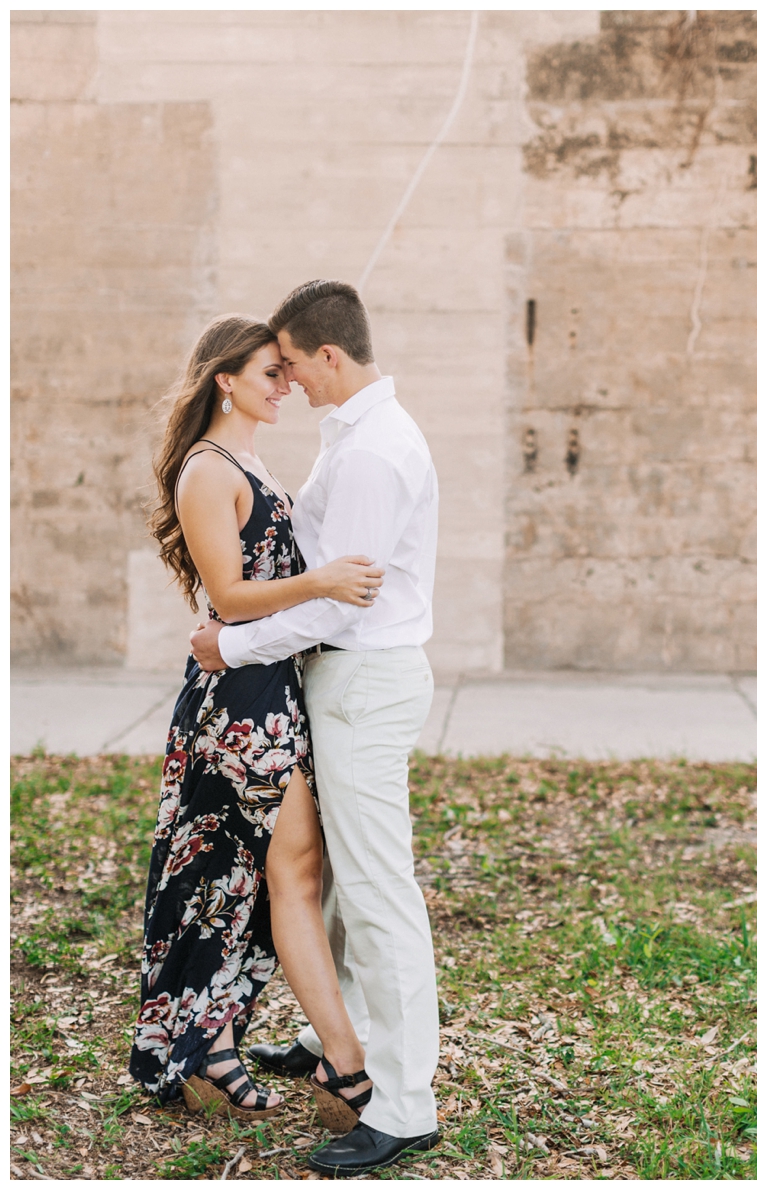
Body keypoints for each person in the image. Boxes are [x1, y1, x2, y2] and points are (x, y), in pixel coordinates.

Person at [189, 280, 441, 1177]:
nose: (285, 378)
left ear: (327, 355)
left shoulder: (374, 454)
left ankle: (406, 1107)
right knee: (335, 883)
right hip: (338, 685)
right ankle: (330, 1035)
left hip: (362, 683)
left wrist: (232, 642)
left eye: (290, 361)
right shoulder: (355, 436)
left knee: (378, 892)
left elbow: (340, 605)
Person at [129, 313, 384, 1125]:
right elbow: (231, 600)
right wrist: (325, 582)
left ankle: (212, 1044)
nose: (286, 384)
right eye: (270, 372)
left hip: (269, 689)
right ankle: (343, 1067)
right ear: (224, 380)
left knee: (242, 878)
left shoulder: (247, 459)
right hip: (240, 703)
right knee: (290, 875)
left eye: (286, 370)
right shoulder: (208, 470)